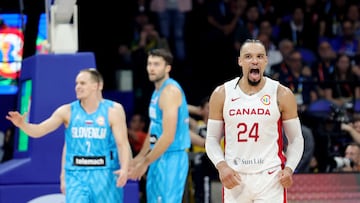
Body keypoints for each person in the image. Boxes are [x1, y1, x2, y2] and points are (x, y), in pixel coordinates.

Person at [6, 68, 131, 203]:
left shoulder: (113, 110)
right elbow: (39, 130)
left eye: (82, 83)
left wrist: (125, 168)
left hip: (105, 174)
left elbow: (122, 143)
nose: (77, 87)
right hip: (76, 175)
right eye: (76, 83)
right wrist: (22, 125)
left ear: (96, 86)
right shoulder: (66, 111)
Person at [205, 39, 304, 202]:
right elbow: (212, 139)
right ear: (240, 61)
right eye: (248, 56)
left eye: (259, 56)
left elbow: (296, 139)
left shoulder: (282, 94)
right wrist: (221, 166)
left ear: (266, 61)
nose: (254, 61)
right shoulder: (222, 93)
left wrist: (289, 168)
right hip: (235, 176)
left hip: (270, 177)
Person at [128, 48, 191, 203]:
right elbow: (154, 128)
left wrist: (145, 163)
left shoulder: (170, 91)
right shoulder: (156, 92)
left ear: (167, 68)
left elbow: (168, 136)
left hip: (172, 156)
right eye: (149, 64)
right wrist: (141, 156)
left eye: (156, 64)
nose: (151, 68)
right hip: (158, 155)